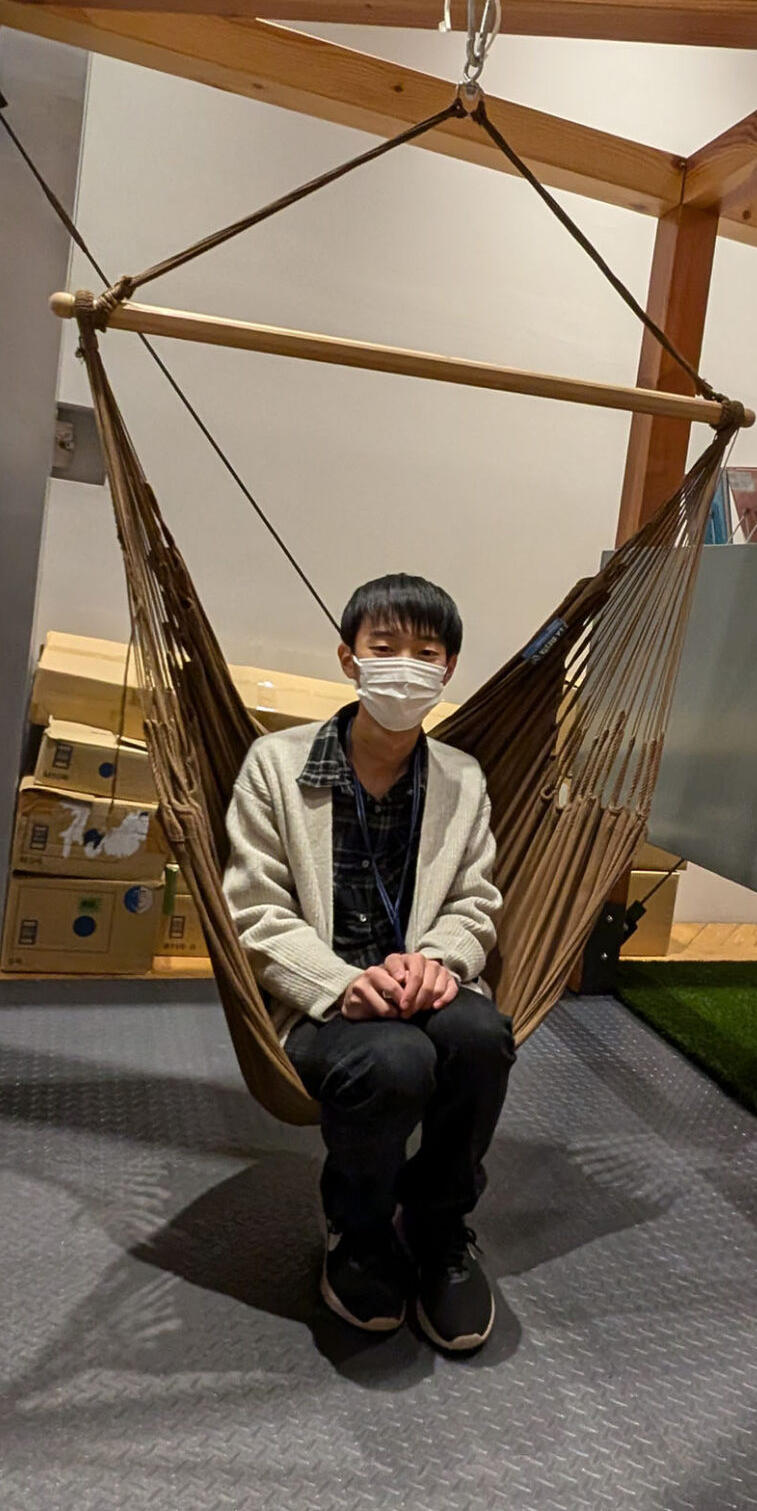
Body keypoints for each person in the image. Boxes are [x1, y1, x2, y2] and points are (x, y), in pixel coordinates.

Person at [223, 573, 513, 1353]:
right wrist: (344, 984)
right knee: (394, 1061)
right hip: (317, 1000)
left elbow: (476, 902)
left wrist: (438, 963)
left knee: (482, 1038)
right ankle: (359, 1230)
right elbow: (253, 912)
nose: (406, 667)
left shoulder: (462, 778)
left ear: (449, 669)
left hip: (426, 983)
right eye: (385, 648)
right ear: (349, 658)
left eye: (427, 652)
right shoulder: (275, 766)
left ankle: (440, 1227)